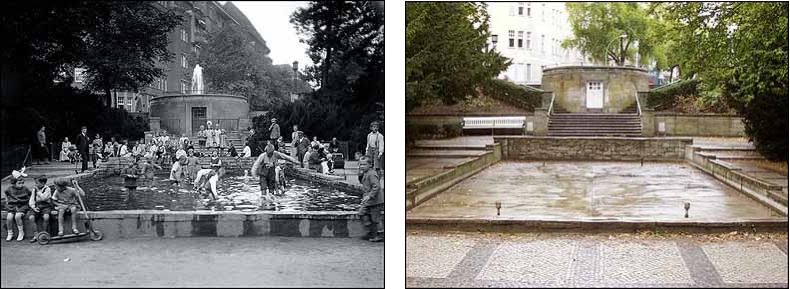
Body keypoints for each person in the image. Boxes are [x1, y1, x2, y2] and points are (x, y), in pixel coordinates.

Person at [358, 157, 383, 242]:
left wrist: (369, 196)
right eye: (361, 164)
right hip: (368, 201)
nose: (362, 166)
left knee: (376, 219)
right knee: (362, 212)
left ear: (370, 165)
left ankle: (380, 234)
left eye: (364, 164)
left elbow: (376, 186)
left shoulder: (372, 174)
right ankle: (370, 231)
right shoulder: (365, 173)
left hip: (375, 200)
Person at [4, 176, 31, 241]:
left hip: (22, 205)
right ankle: (10, 233)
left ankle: (21, 232)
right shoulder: (10, 189)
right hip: (12, 206)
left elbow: (30, 194)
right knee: (9, 217)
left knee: (17, 216)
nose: (21, 185)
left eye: (22, 183)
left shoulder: (25, 188)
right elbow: (6, 193)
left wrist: (29, 202)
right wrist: (7, 200)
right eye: (19, 183)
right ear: (14, 184)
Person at [27, 176, 53, 242]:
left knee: (46, 217)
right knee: (31, 218)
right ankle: (36, 235)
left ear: (43, 183)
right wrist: (33, 207)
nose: (35, 184)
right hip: (37, 206)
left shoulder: (47, 189)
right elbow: (32, 200)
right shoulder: (34, 190)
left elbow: (44, 198)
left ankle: (44, 234)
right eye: (35, 183)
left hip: (45, 206)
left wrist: (38, 192)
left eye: (37, 183)